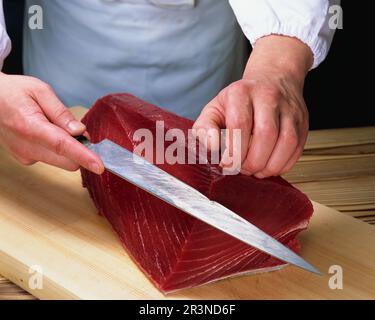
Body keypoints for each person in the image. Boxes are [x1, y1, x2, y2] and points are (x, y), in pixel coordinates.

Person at [0, 0, 337, 177]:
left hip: (206, 41)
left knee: (210, 170)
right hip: (71, 37)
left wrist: (276, 67)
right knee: (66, 176)